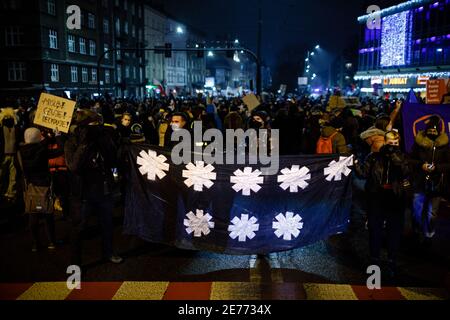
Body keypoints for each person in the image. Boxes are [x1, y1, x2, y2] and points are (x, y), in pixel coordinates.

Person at [65, 109, 123, 265]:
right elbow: (73, 166)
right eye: (94, 124)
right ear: (84, 127)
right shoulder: (73, 141)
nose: (98, 127)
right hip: (83, 193)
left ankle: (108, 252)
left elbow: (113, 161)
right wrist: (85, 144)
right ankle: (75, 262)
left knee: (107, 224)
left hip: (104, 189)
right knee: (78, 229)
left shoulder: (103, 138)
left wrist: (109, 140)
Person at [355, 131, 410, 278]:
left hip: (395, 198)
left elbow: (405, 171)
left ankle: (391, 260)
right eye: (390, 143)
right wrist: (354, 164)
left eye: (395, 144)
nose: (392, 146)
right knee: (375, 229)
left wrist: (393, 156)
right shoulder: (373, 157)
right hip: (377, 197)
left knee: (394, 231)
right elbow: (363, 174)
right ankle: (374, 259)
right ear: (385, 142)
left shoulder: (403, 157)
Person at [409, 115, 450, 247]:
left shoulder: (445, 145)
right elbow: (410, 160)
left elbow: (448, 163)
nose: (432, 132)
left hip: (436, 182)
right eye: (430, 130)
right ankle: (416, 232)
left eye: (434, 130)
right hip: (419, 181)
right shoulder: (418, 143)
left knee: (431, 213)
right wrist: (421, 165)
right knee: (416, 209)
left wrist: (437, 168)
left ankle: (428, 235)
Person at [19, 127, 55, 252]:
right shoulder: (41, 150)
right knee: (47, 214)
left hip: (30, 187)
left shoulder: (21, 151)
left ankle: (35, 243)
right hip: (43, 185)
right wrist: (56, 136)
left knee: (33, 214)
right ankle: (51, 241)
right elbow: (59, 151)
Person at [0, 108, 20, 203]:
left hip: (13, 154)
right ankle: (3, 191)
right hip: (3, 155)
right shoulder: (1, 127)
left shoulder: (16, 127)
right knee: (2, 174)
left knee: (13, 175)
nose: (8, 119)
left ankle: (11, 193)